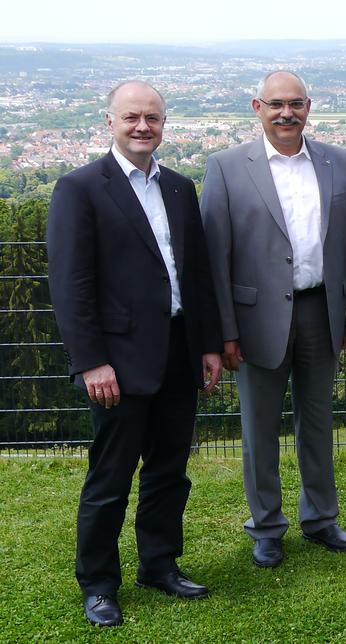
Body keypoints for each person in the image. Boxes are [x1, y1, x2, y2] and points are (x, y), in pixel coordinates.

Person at [47, 80, 223, 627]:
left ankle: (159, 564)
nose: (143, 126)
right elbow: (71, 285)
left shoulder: (178, 186)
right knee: (111, 475)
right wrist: (90, 360)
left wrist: (208, 345)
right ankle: (98, 583)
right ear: (110, 122)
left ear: (164, 123)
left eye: (152, 118)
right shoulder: (80, 188)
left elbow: (196, 276)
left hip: (178, 348)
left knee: (170, 468)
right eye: (132, 118)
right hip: (118, 361)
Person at [200, 71, 346, 569]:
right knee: (258, 429)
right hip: (255, 320)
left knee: (317, 422)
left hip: (321, 309)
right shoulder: (227, 167)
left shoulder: (339, 162)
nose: (286, 113)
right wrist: (225, 331)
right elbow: (216, 258)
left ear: (309, 106)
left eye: (295, 104)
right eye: (276, 104)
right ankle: (267, 527)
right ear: (257, 107)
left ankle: (321, 519)